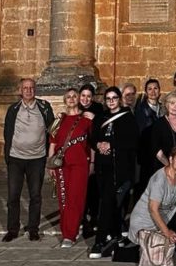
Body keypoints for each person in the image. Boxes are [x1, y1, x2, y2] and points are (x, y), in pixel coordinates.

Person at [2, 77, 54, 242]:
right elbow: (7, 132)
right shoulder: (13, 109)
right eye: (25, 88)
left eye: (31, 87)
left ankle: (33, 229)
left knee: (35, 196)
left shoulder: (44, 107)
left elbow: (53, 129)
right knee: (13, 196)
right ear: (20, 91)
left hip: (37, 159)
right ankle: (12, 229)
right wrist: (8, 156)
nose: (29, 90)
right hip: (16, 159)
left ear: (35, 90)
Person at [90, 87, 139, 259]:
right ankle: (117, 234)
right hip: (103, 167)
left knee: (109, 203)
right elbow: (92, 137)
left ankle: (100, 240)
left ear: (119, 99)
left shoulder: (128, 118)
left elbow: (132, 141)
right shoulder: (100, 117)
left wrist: (112, 145)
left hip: (120, 168)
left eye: (114, 98)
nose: (111, 101)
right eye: (108, 98)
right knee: (109, 202)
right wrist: (98, 145)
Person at [128, 145, 176, 266]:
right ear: (170, 159)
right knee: (160, 253)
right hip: (144, 222)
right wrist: (167, 232)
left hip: (163, 218)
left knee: (167, 248)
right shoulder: (160, 179)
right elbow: (153, 209)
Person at [48, 88, 94, 248]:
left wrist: (92, 163)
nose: (72, 99)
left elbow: (92, 145)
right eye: (68, 97)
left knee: (76, 198)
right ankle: (65, 231)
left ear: (79, 99)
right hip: (61, 165)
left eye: (75, 96)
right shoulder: (57, 120)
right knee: (63, 199)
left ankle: (70, 234)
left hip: (80, 165)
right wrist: (50, 163)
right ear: (64, 100)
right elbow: (52, 143)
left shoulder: (87, 120)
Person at [78, 83, 102, 239]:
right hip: (78, 155)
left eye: (88, 96)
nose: (85, 99)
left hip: (93, 154)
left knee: (93, 188)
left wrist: (94, 120)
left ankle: (94, 218)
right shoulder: (75, 109)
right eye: (83, 96)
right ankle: (82, 219)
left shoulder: (98, 110)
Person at [150, 92, 176, 177]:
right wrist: (171, 167)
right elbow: (157, 150)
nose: (175, 106)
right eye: (172, 103)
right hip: (164, 170)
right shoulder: (158, 124)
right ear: (166, 105)